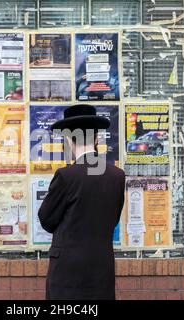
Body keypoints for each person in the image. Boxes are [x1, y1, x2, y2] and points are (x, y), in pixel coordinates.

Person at [38, 104, 125, 300]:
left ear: (69, 141)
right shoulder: (117, 176)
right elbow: (113, 219)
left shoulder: (66, 176)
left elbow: (46, 220)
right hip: (102, 272)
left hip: (67, 276)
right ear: (96, 139)